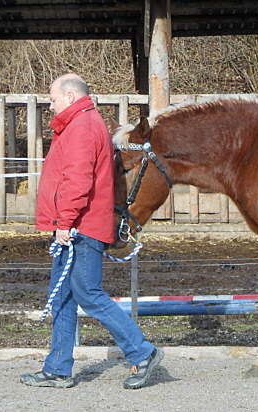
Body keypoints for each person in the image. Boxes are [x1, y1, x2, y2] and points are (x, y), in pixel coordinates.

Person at [20, 73, 162, 389]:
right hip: (77, 225)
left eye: (53, 98)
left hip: (80, 227)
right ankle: (57, 369)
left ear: (70, 97)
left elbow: (78, 181)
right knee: (64, 297)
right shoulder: (79, 124)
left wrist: (65, 222)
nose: (51, 104)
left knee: (88, 293)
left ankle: (142, 352)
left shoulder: (83, 127)